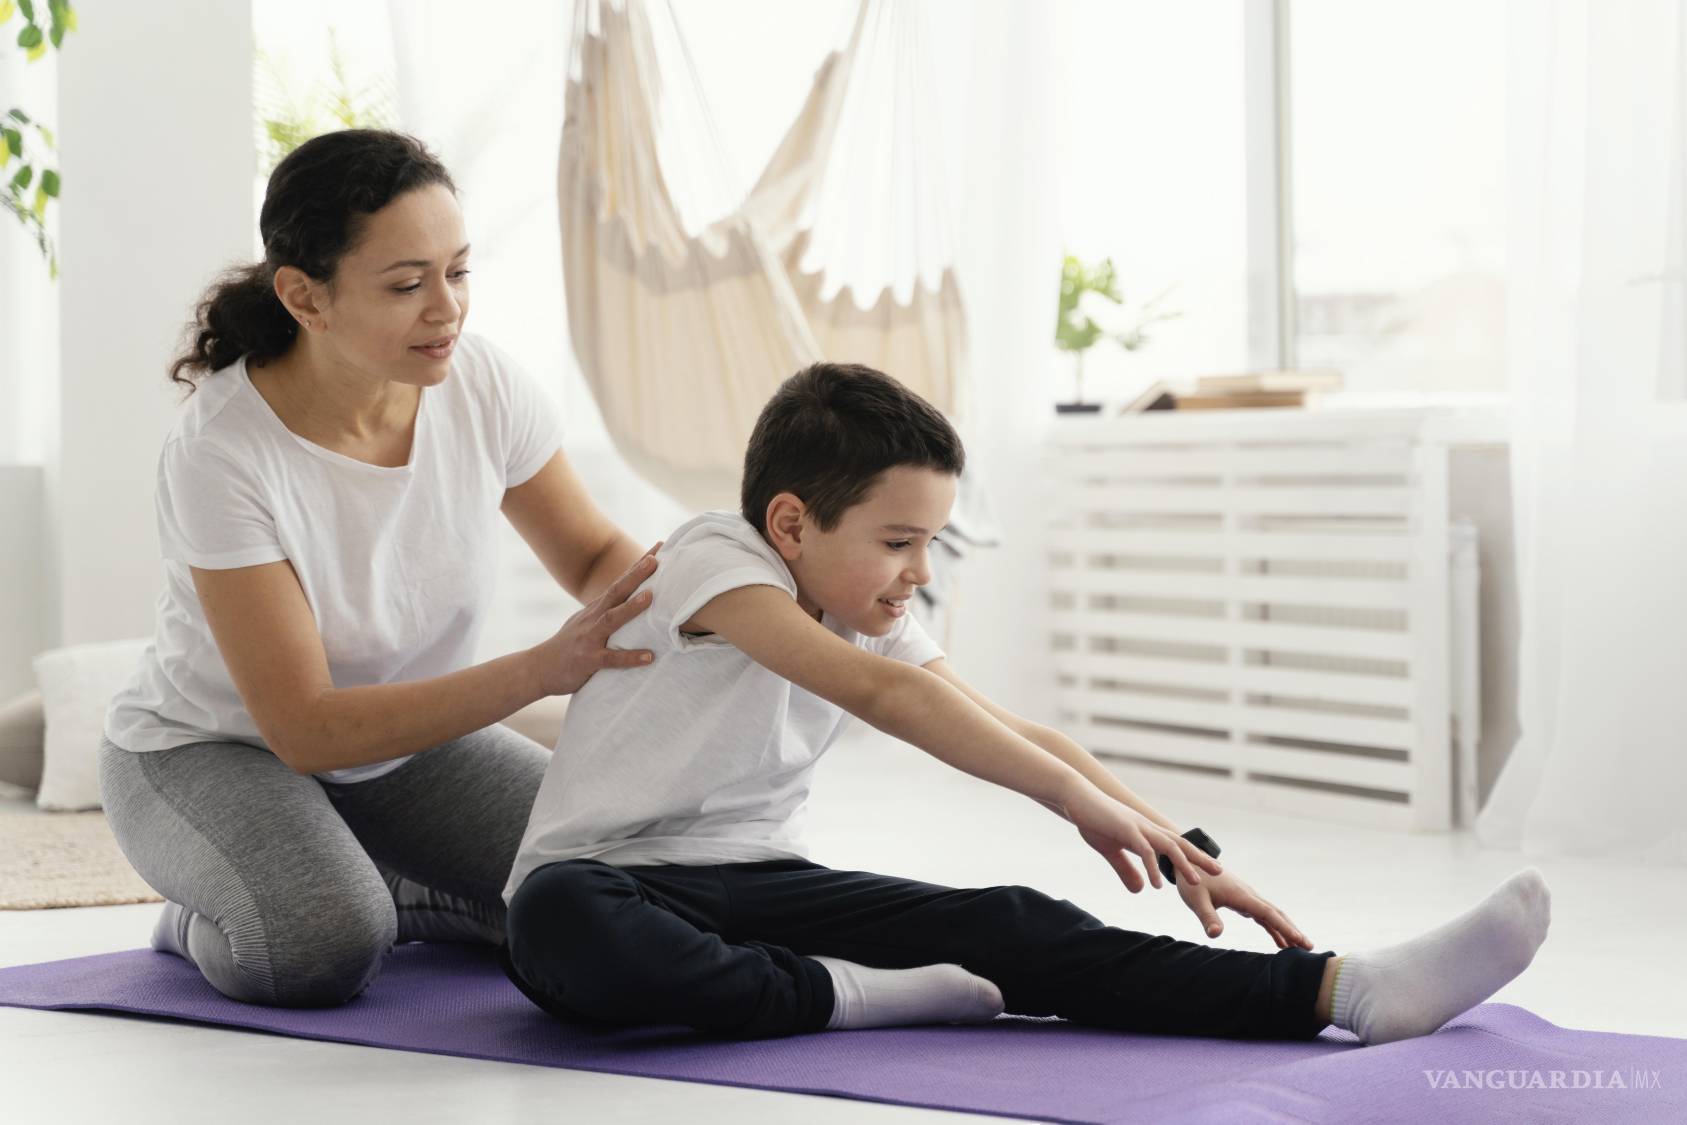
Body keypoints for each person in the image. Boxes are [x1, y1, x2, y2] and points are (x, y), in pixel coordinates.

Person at [498, 362, 1553, 1044]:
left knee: (1015, 919)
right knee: (563, 921)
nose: (918, 571)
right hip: (603, 886)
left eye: (931, 544)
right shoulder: (709, 560)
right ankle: (850, 996)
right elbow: (879, 695)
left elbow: (1016, 730)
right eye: (898, 542)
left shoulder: (861, 603)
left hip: (756, 886)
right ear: (789, 523)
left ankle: (1342, 992)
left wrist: (1179, 846)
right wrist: (1069, 804)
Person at [98, 129, 662, 1009]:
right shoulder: (222, 451)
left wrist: (714, 609)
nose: (447, 310)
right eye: (407, 284)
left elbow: (592, 555)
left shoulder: (481, 384)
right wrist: (544, 669)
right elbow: (307, 730)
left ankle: (395, 885)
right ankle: (207, 913)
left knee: (628, 881)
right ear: (304, 297)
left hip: (403, 747)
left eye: (458, 272)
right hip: (213, 751)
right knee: (319, 943)